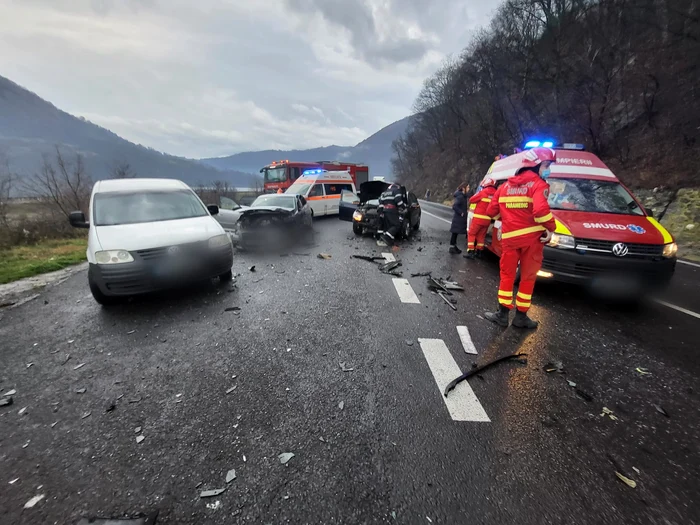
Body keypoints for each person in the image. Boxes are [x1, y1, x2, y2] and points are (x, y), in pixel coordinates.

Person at [483, 147, 557, 329]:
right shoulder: (539, 185)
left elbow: (491, 212)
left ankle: (502, 315)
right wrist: (551, 228)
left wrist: (506, 219)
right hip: (532, 241)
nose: (548, 169)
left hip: (509, 240)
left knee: (507, 276)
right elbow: (540, 212)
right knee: (527, 277)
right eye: (546, 165)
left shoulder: (504, 187)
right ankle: (521, 317)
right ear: (535, 166)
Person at [464, 178, 497, 259]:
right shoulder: (496, 194)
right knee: (481, 236)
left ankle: (471, 251)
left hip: (478, 219)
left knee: (471, 233)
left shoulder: (483, 192)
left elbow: (472, 199)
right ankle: (479, 252)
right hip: (487, 221)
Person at [448, 183, 470, 254]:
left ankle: (454, 246)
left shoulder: (463, 196)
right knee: (455, 233)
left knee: (455, 233)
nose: (469, 189)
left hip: (459, 219)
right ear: (464, 188)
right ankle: (453, 247)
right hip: (458, 218)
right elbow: (455, 206)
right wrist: (461, 213)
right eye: (468, 187)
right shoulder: (460, 197)